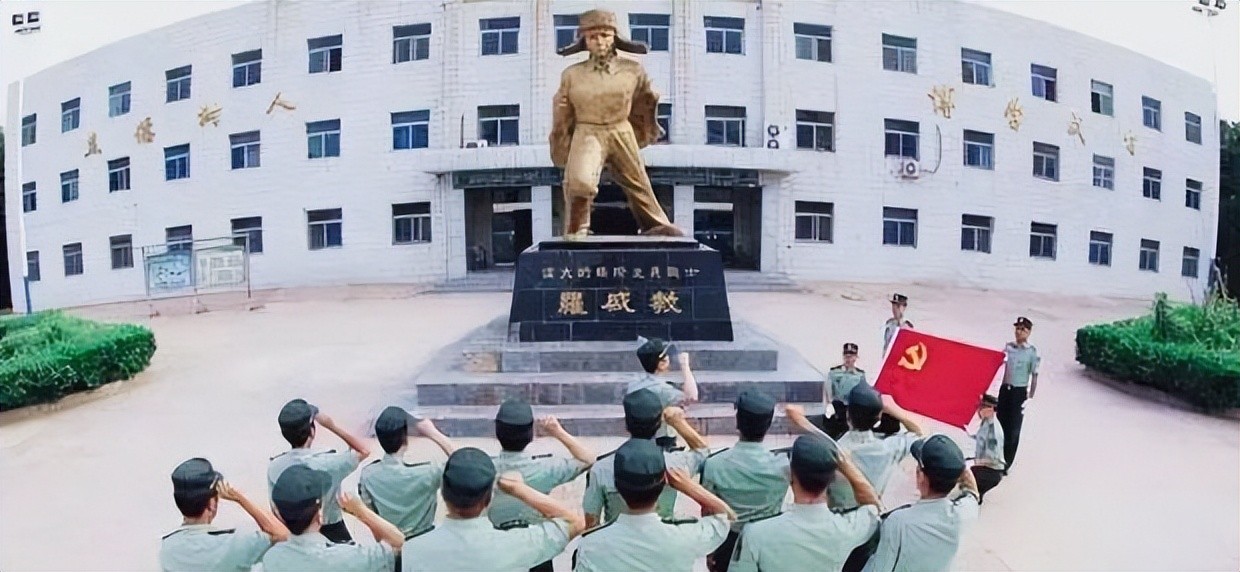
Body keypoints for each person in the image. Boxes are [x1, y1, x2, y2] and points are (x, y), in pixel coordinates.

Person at [550, 9, 683, 238]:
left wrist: (647, 125)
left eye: (605, 35)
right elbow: (563, 110)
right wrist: (561, 138)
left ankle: (654, 224)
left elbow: (643, 101)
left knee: (638, 181)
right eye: (592, 37)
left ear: (614, 38)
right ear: (584, 41)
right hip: (588, 131)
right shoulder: (572, 74)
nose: (599, 41)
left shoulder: (633, 70)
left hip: (621, 130)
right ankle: (577, 227)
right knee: (580, 182)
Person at [402, 448, 585, 572]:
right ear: (488, 498)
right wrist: (518, 489)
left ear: (443, 493)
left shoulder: (413, 550)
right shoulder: (517, 544)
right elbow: (574, 523)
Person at [574, 439, 736, 572]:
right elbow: (727, 516)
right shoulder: (686, 535)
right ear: (664, 483)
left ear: (617, 485)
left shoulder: (591, 545)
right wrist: (688, 486)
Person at [729, 435, 882, 572]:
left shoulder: (755, 533)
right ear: (832, 479)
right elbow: (874, 506)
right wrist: (847, 466)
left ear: (791, 474)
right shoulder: (847, 528)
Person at [489, 399, 596, 572]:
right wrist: (558, 432)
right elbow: (588, 460)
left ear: (497, 432)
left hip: (498, 549)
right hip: (539, 547)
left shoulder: (485, 469)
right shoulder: (546, 468)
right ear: (531, 434)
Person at [583, 390, 710, 527]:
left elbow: (591, 523)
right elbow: (702, 452)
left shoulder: (600, 469)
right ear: (659, 424)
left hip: (617, 536)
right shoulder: (675, 463)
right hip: (663, 534)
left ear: (626, 424)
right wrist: (678, 422)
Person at [861, 435, 981, 572]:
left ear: (921, 476)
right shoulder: (963, 514)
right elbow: (973, 493)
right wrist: (956, 467)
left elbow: (881, 567)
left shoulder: (898, 522)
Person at [700, 391, 790, 572]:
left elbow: (708, 509)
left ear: (738, 421)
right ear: (768, 425)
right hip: (769, 541)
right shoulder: (783, 465)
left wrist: (711, 548)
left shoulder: (714, 464)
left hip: (728, 542)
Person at [261, 465, 404, 572]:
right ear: (320, 515)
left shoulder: (271, 559)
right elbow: (397, 542)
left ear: (279, 516)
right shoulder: (350, 557)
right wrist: (361, 510)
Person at [267, 399, 371, 543]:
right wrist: (331, 426)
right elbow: (363, 451)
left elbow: (274, 508)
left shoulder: (275, 466)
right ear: (312, 431)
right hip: (331, 529)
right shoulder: (330, 462)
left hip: (293, 532)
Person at [160, 458, 289, 572]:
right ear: (211, 504)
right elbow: (282, 534)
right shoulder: (233, 544)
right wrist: (239, 498)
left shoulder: (167, 549)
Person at [357, 407, 456, 540]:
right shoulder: (428, 472)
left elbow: (372, 517)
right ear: (405, 438)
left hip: (390, 542)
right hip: (423, 539)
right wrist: (433, 433)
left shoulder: (368, 475)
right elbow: (465, 463)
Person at [629, 337, 699, 450]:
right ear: (661, 363)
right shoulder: (664, 390)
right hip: (662, 442)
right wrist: (685, 365)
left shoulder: (634, 384)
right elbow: (692, 396)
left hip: (638, 440)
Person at [997, 316, 1040, 473]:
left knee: (1013, 429)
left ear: (1028, 332)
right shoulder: (1008, 348)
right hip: (1005, 390)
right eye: (1017, 328)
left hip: (1019, 392)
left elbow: (1034, 376)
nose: (1019, 332)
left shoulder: (1031, 352)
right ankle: (996, 458)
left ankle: (1006, 463)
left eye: (1023, 329)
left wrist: (1030, 397)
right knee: (1000, 426)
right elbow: (998, 365)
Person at [815, 343, 866, 439]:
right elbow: (828, 389)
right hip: (837, 408)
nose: (848, 359)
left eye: (851, 356)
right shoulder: (834, 372)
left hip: (852, 409)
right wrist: (829, 404)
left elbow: (862, 393)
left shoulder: (860, 375)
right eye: (846, 356)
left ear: (856, 357)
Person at [969, 394, 1005, 503]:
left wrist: (974, 462)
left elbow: (992, 458)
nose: (978, 410)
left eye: (981, 408)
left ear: (990, 409)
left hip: (990, 471)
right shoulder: (987, 422)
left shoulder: (993, 430)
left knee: (966, 481)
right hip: (987, 469)